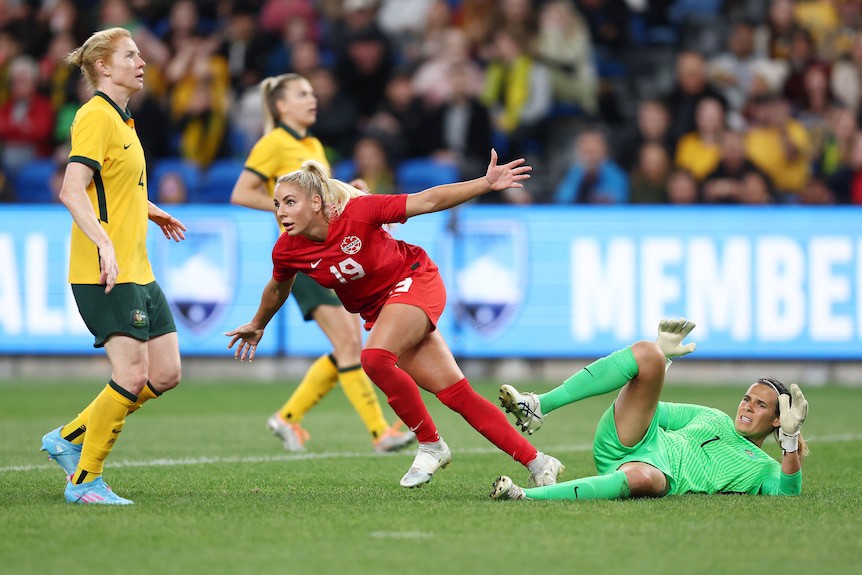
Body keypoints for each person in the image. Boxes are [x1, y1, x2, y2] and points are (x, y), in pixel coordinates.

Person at [225, 149, 564, 489]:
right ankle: (540, 463)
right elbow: (276, 288)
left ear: (316, 202)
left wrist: (485, 183)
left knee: (373, 358)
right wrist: (258, 323)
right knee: (457, 396)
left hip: (415, 281)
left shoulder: (357, 213)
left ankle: (431, 445)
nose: (281, 212)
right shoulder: (288, 249)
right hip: (383, 311)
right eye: (277, 204)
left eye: (290, 202)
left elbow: (427, 201)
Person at [38, 27, 187, 505]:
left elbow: (117, 188)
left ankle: (68, 438)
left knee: (165, 374)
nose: (141, 61)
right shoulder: (95, 116)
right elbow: (71, 189)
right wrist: (103, 243)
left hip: (138, 269)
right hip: (106, 270)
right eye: (130, 55)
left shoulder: (125, 122)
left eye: (141, 54)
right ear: (103, 66)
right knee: (131, 374)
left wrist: (152, 209)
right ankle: (85, 481)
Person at [229, 73, 414, 454]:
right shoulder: (273, 144)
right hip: (304, 255)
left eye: (312, 93)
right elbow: (241, 193)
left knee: (347, 345)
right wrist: (286, 207)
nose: (312, 99)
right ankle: (380, 432)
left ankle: (287, 418)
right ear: (281, 106)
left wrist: (348, 194)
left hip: (330, 251)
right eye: (302, 94)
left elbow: (323, 201)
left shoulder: (312, 143)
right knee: (349, 344)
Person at [490, 318, 809, 501]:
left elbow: (787, 493)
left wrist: (790, 441)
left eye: (760, 405)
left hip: (658, 474)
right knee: (648, 353)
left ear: (777, 419)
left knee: (644, 476)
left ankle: (526, 496)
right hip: (632, 440)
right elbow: (651, 410)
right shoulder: (713, 417)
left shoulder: (766, 468)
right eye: (747, 398)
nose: (747, 407)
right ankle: (537, 405)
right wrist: (659, 365)